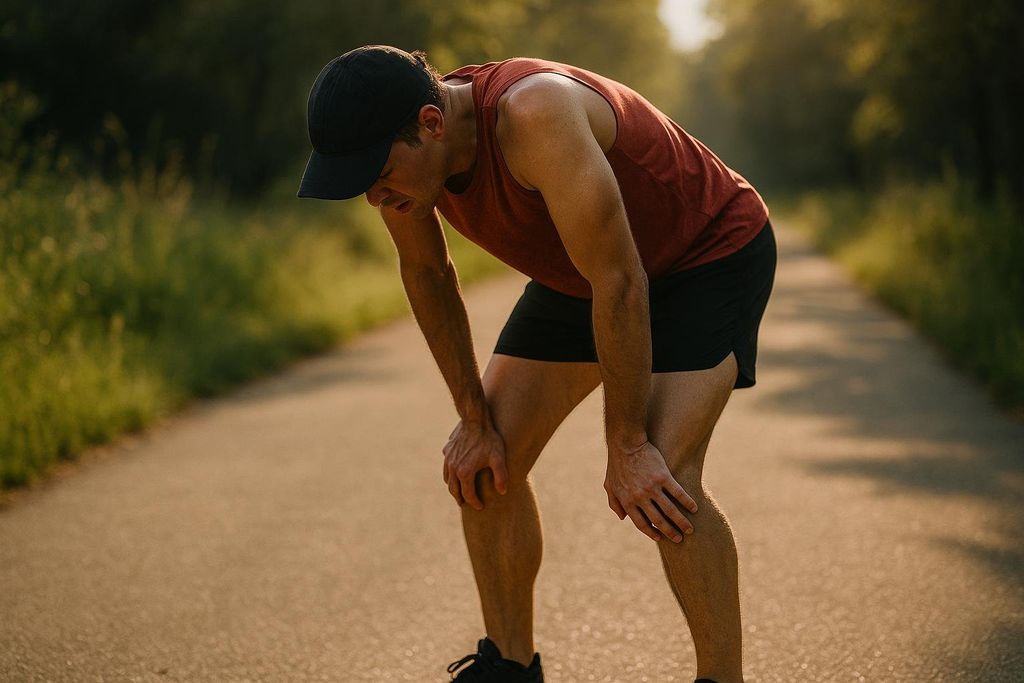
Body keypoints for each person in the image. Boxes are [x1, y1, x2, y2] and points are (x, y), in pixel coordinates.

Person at [297, 44, 775, 683]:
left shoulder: (533, 115)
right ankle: (511, 668)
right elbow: (428, 272)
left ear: (431, 124)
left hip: (704, 256)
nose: (373, 195)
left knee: (665, 478)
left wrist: (627, 442)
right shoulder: (406, 179)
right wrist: (473, 417)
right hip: (586, 272)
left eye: (376, 172)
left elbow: (622, 283)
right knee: (483, 465)